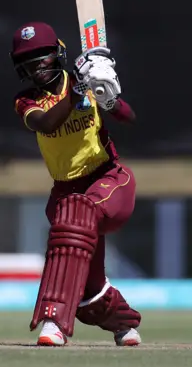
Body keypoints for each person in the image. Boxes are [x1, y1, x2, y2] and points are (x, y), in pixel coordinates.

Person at [11, 21, 141, 347]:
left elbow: (128, 117)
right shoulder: (27, 101)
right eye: (29, 59)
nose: (37, 65)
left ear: (57, 54)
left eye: (43, 56)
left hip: (109, 180)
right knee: (89, 294)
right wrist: (79, 90)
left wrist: (106, 94)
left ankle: (53, 319)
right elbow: (47, 122)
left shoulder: (84, 82)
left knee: (74, 212)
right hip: (64, 191)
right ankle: (124, 324)